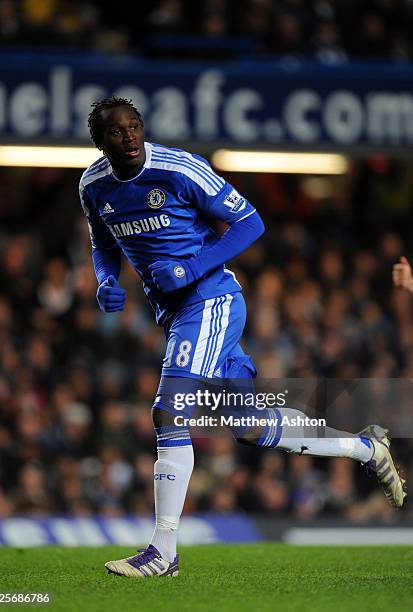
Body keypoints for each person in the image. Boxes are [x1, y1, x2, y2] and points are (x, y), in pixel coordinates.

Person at [80, 97, 406, 578]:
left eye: (134, 127)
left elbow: (250, 221)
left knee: (169, 409)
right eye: (116, 131)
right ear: (100, 141)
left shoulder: (180, 168)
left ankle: (162, 552)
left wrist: (190, 267)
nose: (128, 137)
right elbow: (102, 243)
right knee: (249, 425)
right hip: (173, 312)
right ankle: (365, 448)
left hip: (209, 299)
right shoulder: (93, 185)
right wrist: (105, 281)